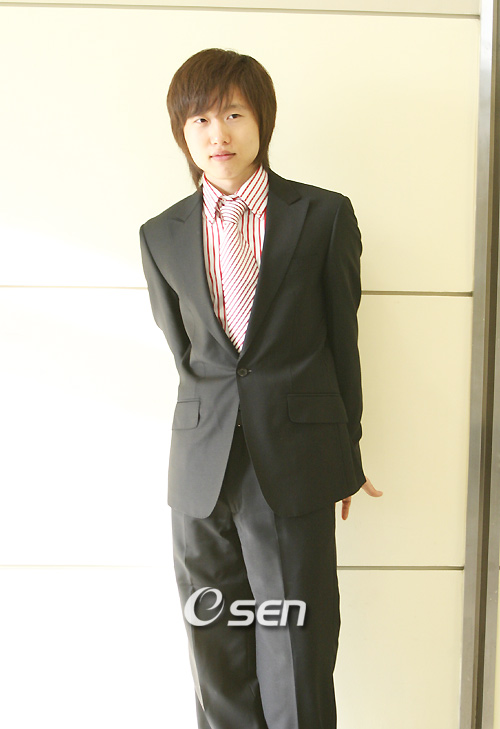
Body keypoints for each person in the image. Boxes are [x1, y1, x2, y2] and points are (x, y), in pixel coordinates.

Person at [140, 48, 383, 729]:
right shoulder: (160, 234)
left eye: (233, 115)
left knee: (296, 644)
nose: (217, 133)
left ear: (262, 122)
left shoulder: (323, 215)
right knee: (213, 646)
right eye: (199, 120)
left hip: (294, 462)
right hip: (200, 469)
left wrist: (345, 452)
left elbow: (342, 342)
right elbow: (187, 356)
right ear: (182, 132)